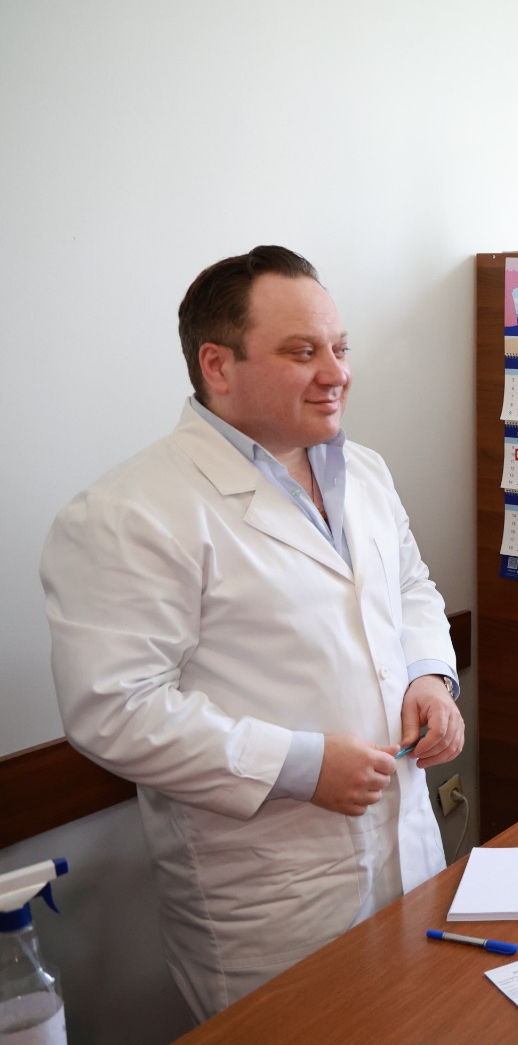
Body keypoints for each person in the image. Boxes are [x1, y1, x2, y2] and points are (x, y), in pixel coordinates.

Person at [40, 246, 463, 1021]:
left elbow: (409, 587)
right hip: (274, 894)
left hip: (407, 848)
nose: (336, 372)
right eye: (302, 352)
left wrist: (429, 676)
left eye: (339, 347)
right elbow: (114, 711)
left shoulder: (362, 472)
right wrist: (301, 766)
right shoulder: (129, 513)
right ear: (218, 365)